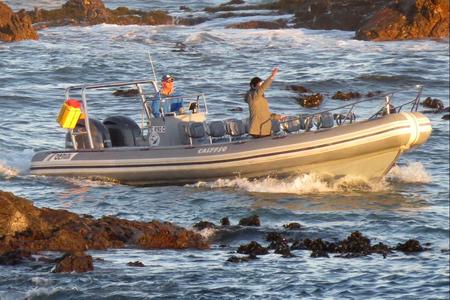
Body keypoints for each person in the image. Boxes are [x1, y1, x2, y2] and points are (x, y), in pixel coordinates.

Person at [245, 67, 283, 137]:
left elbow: (265, 114)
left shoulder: (260, 99)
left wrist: (278, 117)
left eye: (260, 85)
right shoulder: (253, 96)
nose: (260, 88)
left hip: (265, 129)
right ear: (253, 86)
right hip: (258, 130)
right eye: (259, 85)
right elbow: (263, 87)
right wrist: (272, 76)